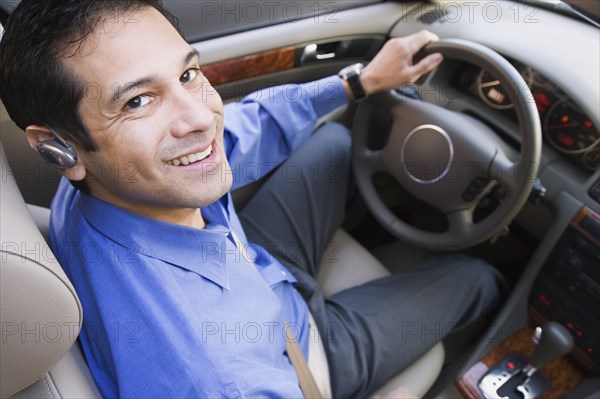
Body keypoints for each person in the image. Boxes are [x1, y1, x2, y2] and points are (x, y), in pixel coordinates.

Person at [0, 1, 506, 397]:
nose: (201, 118)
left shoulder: (110, 183)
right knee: (477, 276)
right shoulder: (221, 379)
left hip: (256, 273)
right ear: (58, 147)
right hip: (301, 355)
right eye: (137, 101)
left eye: (187, 75)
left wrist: (358, 83)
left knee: (332, 143)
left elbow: (252, 126)